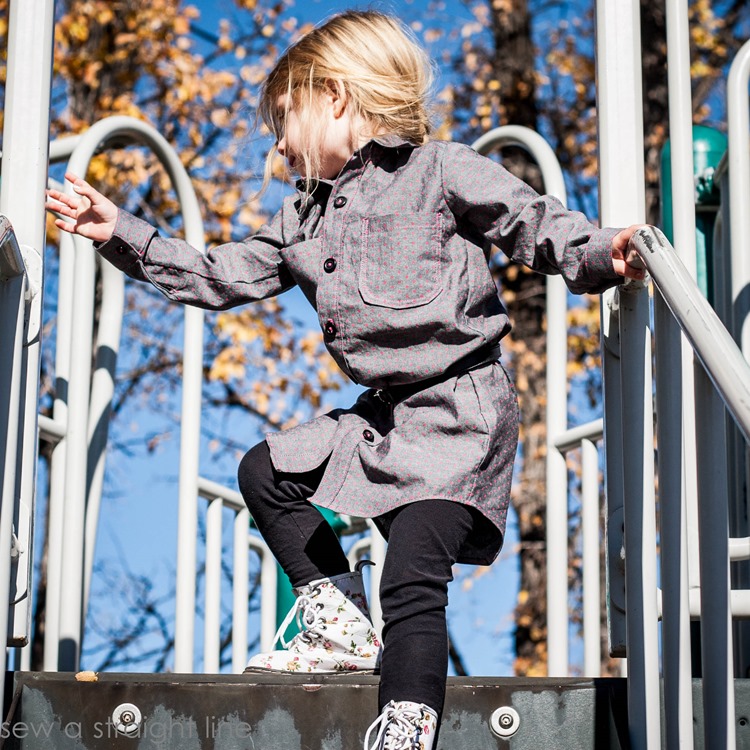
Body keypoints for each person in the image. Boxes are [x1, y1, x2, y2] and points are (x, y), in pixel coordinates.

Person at [46, 9, 644, 749]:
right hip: (382, 421)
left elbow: (530, 221)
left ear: (334, 96)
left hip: (459, 419)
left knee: (412, 570)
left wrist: (603, 250)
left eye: (284, 119)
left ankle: (408, 723)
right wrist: (123, 233)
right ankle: (339, 623)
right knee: (266, 470)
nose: (277, 144)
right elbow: (217, 274)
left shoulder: (440, 170)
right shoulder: (303, 219)